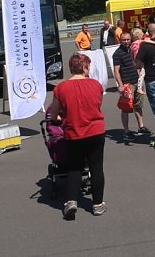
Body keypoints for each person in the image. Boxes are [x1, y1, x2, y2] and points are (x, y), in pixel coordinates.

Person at [52, 53, 106, 219]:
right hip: (95, 130)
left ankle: (71, 201)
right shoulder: (96, 85)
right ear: (84, 67)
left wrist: (60, 118)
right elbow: (96, 106)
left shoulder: (61, 88)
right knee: (96, 167)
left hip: (74, 132)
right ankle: (97, 204)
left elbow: (55, 114)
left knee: (74, 168)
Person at [111, 30, 150, 142]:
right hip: (127, 84)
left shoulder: (133, 50)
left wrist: (141, 79)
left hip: (137, 82)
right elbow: (116, 71)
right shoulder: (117, 54)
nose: (126, 42)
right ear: (120, 40)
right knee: (126, 108)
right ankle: (126, 131)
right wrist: (120, 85)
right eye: (124, 40)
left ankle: (141, 127)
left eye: (128, 39)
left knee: (138, 105)